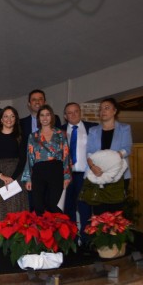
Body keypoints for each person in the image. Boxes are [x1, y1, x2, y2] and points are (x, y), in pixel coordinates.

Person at [86, 98, 133, 214]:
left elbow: (127, 149)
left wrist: (110, 161)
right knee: (98, 213)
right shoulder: (93, 130)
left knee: (116, 215)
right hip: (97, 173)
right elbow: (89, 152)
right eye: (101, 109)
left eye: (107, 108)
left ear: (115, 111)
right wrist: (92, 167)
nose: (103, 111)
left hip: (118, 175)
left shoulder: (125, 128)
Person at [22, 105, 71, 215]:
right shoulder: (33, 136)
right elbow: (29, 157)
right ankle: (41, 232)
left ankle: (56, 231)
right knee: (38, 205)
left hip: (56, 170)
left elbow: (66, 155)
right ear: (38, 118)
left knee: (55, 205)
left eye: (47, 115)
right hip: (39, 171)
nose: (45, 118)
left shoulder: (60, 134)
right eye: (42, 115)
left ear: (52, 117)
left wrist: (67, 176)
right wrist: (28, 178)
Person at [0, 106, 29, 231]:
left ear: (16, 119)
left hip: (16, 175)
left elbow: (23, 160)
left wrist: (12, 178)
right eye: (5, 116)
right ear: (1, 119)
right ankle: (2, 241)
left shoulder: (21, 137)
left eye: (12, 116)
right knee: (0, 209)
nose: (9, 119)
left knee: (16, 208)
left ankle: (16, 240)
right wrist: (1, 175)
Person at [63, 102, 97, 243]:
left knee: (85, 209)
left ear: (80, 112)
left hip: (85, 175)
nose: (73, 114)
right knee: (68, 208)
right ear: (65, 116)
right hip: (66, 176)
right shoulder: (59, 131)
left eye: (76, 111)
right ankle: (70, 241)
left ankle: (87, 241)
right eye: (69, 113)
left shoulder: (92, 128)